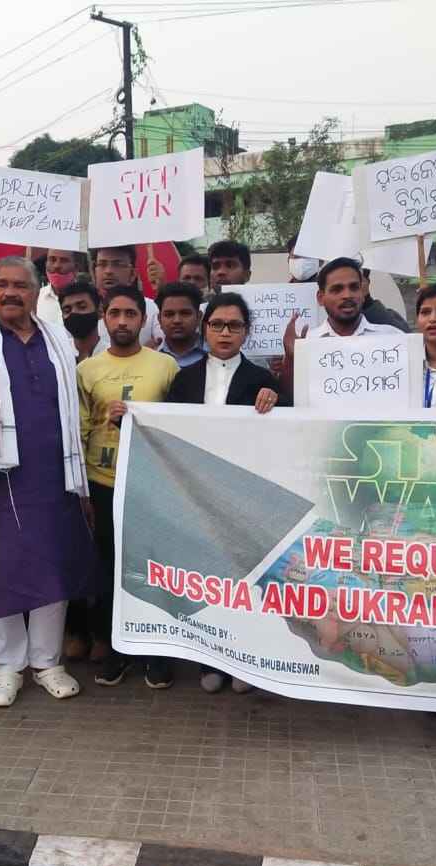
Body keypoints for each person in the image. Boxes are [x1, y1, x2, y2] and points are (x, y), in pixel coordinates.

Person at [0, 257, 93, 708]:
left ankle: (47, 661)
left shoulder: (58, 342)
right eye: (2, 285)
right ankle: (8, 665)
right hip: (0, 479)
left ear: (35, 291)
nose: (10, 293)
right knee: (4, 572)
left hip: (57, 476)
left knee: (53, 565)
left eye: (20, 285)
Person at [164, 292, 284, 692]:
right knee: (206, 578)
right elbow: (163, 428)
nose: (225, 332)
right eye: (217, 324)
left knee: (244, 578)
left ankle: (244, 662)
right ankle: (209, 662)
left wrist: (276, 402)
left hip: (244, 496)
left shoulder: (262, 381)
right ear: (205, 328)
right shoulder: (184, 379)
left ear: (246, 332)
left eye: (234, 325)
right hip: (195, 494)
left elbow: (284, 432)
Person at [78, 285, 180, 686]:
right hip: (102, 483)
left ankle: (157, 652)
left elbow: (180, 424)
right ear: (104, 318)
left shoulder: (166, 366)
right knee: (110, 570)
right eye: (114, 313)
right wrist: (81, 490)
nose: (122, 321)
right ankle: (117, 650)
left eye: (130, 314)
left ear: (144, 318)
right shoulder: (87, 370)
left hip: (153, 485)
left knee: (154, 570)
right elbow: (79, 431)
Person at [278, 258, 410, 395]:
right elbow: (291, 398)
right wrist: (291, 358)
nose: (347, 295)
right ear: (320, 298)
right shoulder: (307, 343)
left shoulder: (394, 339)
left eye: (354, 287)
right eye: (337, 289)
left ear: (363, 293)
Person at [90, 245, 162, 351]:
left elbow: (163, 344)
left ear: (132, 274)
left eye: (117, 264)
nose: (108, 271)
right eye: (102, 264)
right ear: (94, 271)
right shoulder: (83, 312)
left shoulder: (151, 308)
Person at [156, 281, 207, 368]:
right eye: (169, 314)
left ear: (199, 317)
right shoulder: (149, 359)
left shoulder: (217, 355)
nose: (177, 320)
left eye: (185, 313)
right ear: (159, 319)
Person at [34, 249, 83, 326]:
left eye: (64, 261)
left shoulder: (87, 299)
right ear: (46, 264)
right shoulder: (36, 297)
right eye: (52, 260)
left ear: (76, 268)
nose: (56, 266)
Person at [59, 281, 102, 361]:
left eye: (82, 307)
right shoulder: (58, 355)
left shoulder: (114, 353)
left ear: (99, 310)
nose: (74, 312)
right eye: (67, 310)